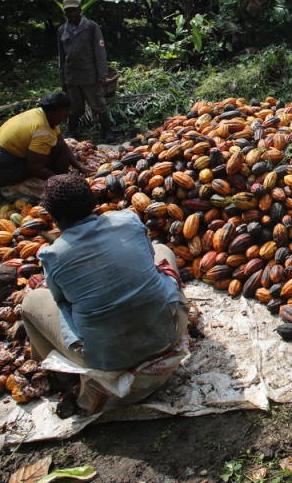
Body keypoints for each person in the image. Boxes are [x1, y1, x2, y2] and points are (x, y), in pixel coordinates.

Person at [21, 174, 188, 414]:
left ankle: (57, 372)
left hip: (108, 357)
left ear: (55, 219)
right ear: (94, 203)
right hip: (167, 333)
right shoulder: (129, 220)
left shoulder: (52, 256)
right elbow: (148, 261)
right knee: (162, 250)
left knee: (30, 302)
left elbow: (61, 302)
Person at [0, 92, 86, 199]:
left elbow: (61, 143)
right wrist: (61, 181)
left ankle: (60, 176)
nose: (67, 114)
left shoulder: (42, 115)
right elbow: (35, 168)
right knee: (46, 164)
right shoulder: (42, 130)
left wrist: (78, 165)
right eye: (66, 110)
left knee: (54, 150)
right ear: (57, 110)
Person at [58, 0, 114, 141]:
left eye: (73, 10)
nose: (71, 13)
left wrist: (101, 76)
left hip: (90, 75)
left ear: (79, 10)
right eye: (68, 11)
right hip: (72, 77)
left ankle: (107, 132)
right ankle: (73, 132)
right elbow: (61, 57)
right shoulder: (62, 30)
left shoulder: (91, 27)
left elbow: (100, 52)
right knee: (75, 108)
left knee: (98, 105)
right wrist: (63, 79)